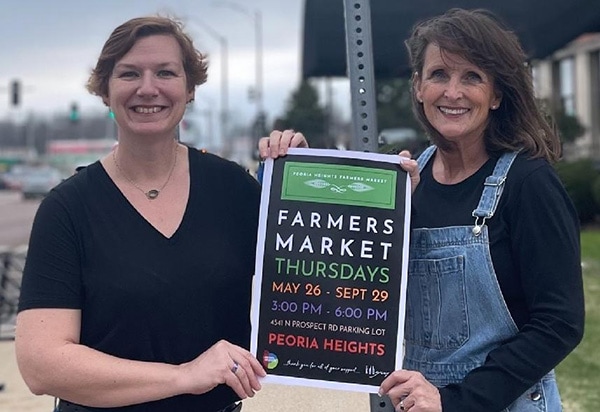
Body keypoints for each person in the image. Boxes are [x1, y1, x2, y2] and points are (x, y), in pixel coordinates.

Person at [15, 16, 307, 412]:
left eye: (166, 73)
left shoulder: (236, 190)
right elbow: (41, 365)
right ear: (105, 90)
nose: (147, 88)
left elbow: (312, 287)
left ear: (189, 89)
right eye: (129, 73)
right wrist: (183, 376)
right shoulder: (67, 209)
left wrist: (305, 179)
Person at [376, 8, 585, 412]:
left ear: (497, 95)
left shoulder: (529, 183)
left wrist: (456, 402)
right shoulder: (405, 184)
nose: (452, 92)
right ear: (418, 86)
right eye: (439, 74)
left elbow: (560, 323)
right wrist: (287, 162)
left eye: (472, 76)